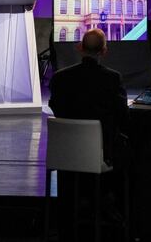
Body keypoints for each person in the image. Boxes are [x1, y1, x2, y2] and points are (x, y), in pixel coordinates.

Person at [48, 28, 128, 166]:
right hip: (103, 151)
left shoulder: (59, 78)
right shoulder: (112, 78)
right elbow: (122, 115)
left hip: (65, 148)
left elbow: (56, 107)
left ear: (80, 48)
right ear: (104, 51)